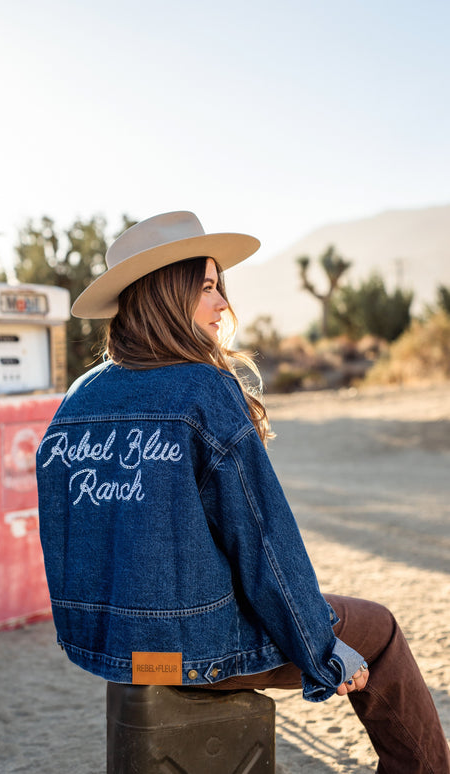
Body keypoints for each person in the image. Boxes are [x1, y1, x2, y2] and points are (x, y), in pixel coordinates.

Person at [37, 211, 449, 774]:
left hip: (108, 649)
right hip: (193, 648)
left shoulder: (77, 399)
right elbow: (263, 544)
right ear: (166, 293)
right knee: (380, 632)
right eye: (206, 286)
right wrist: (322, 650)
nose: (221, 304)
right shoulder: (201, 388)